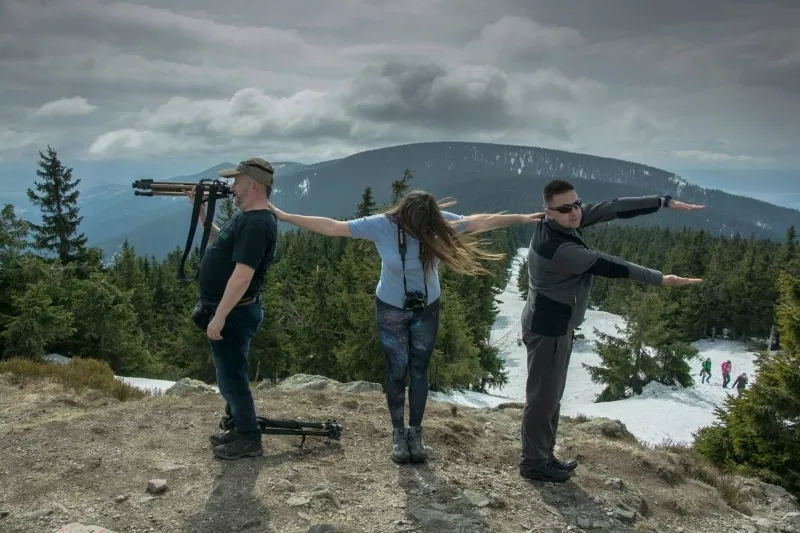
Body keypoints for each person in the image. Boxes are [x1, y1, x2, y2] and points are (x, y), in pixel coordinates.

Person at [267, 190, 542, 463]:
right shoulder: (382, 225)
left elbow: (479, 221)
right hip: (391, 309)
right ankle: (398, 433)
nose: (423, 232)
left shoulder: (437, 222)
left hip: (426, 308)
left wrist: (522, 218)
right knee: (397, 371)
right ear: (405, 217)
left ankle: (416, 432)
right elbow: (333, 227)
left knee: (419, 370)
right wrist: (285, 217)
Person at [519, 178, 704, 482]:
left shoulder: (559, 222)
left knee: (551, 395)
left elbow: (612, 208)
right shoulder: (557, 248)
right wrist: (661, 279)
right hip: (548, 328)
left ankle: (544, 455)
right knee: (542, 398)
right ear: (548, 212)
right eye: (566, 208)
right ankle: (533, 463)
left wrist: (661, 201)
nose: (575, 212)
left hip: (555, 323)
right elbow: (613, 265)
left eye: (577, 204)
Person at [185, 157, 279, 460]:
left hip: (235, 314)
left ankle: (249, 438)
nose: (232, 186)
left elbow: (242, 276)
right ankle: (239, 427)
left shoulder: (257, 223)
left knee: (232, 378)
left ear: (253, 185)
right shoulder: (247, 218)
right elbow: (221, 242)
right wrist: (201, 213)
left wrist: (220, 316)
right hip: (233, 311)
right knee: (229, 373)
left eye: (237, 181)